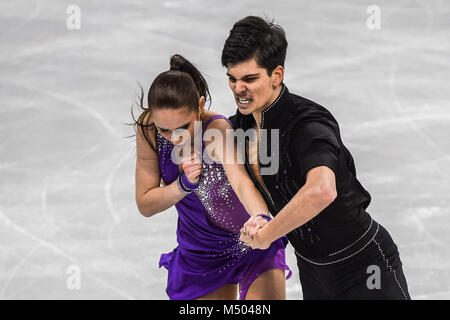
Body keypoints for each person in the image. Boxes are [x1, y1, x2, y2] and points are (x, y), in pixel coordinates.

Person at [222, 16, 411, 299]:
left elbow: (322, 190)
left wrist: (267, 234)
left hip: (363, 266)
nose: (238, 89)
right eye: (232, 79)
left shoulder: (307, 123)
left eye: (249, 79)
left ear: (277, 75)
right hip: (313, 271)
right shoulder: (240, 128)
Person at [132, 54, 291, 300]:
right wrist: (183, 185)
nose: (174, 138)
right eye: (165, 129)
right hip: (201, 252)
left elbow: (240, 181)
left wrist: (260, 219)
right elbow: (145, 204)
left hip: (250, 240)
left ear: (200, 106)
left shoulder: (215, 130)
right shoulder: (148, 130)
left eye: (183, 127)